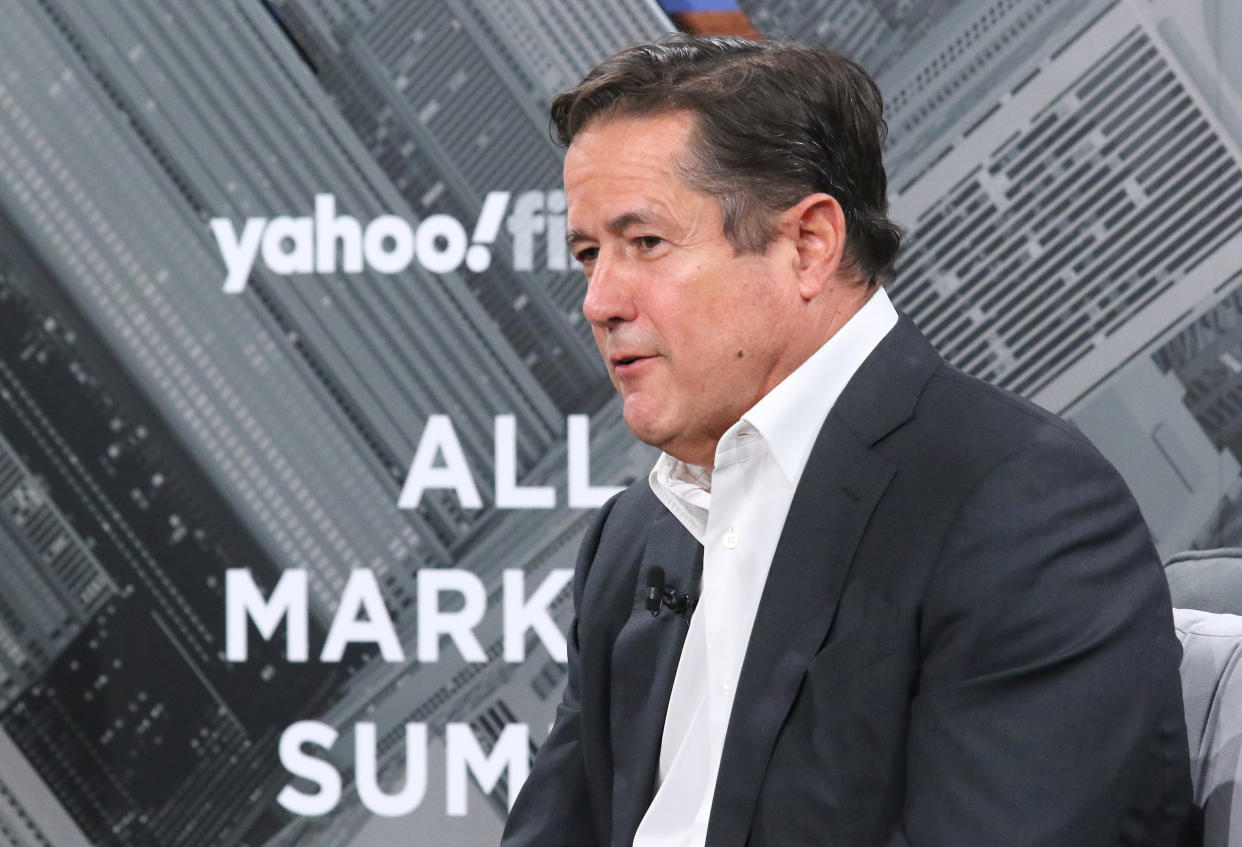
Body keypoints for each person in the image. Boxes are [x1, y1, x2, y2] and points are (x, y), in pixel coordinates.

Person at [500, 35, 1191, 847]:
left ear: (808, 245)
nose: (599, 300)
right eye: (589, 255)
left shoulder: (1015, 505)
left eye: (644, 243)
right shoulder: (632, 537)